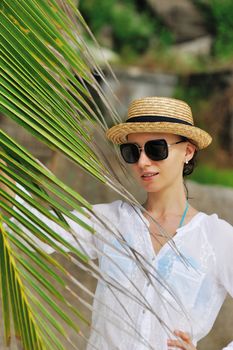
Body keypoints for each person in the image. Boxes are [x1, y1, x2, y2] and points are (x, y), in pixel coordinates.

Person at [3, 97, 233, 350]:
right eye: (132, 152)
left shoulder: (216, 238)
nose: (142, 162)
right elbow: (39, 232)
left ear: (187, 151)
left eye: (156, 149)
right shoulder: (111, 221)